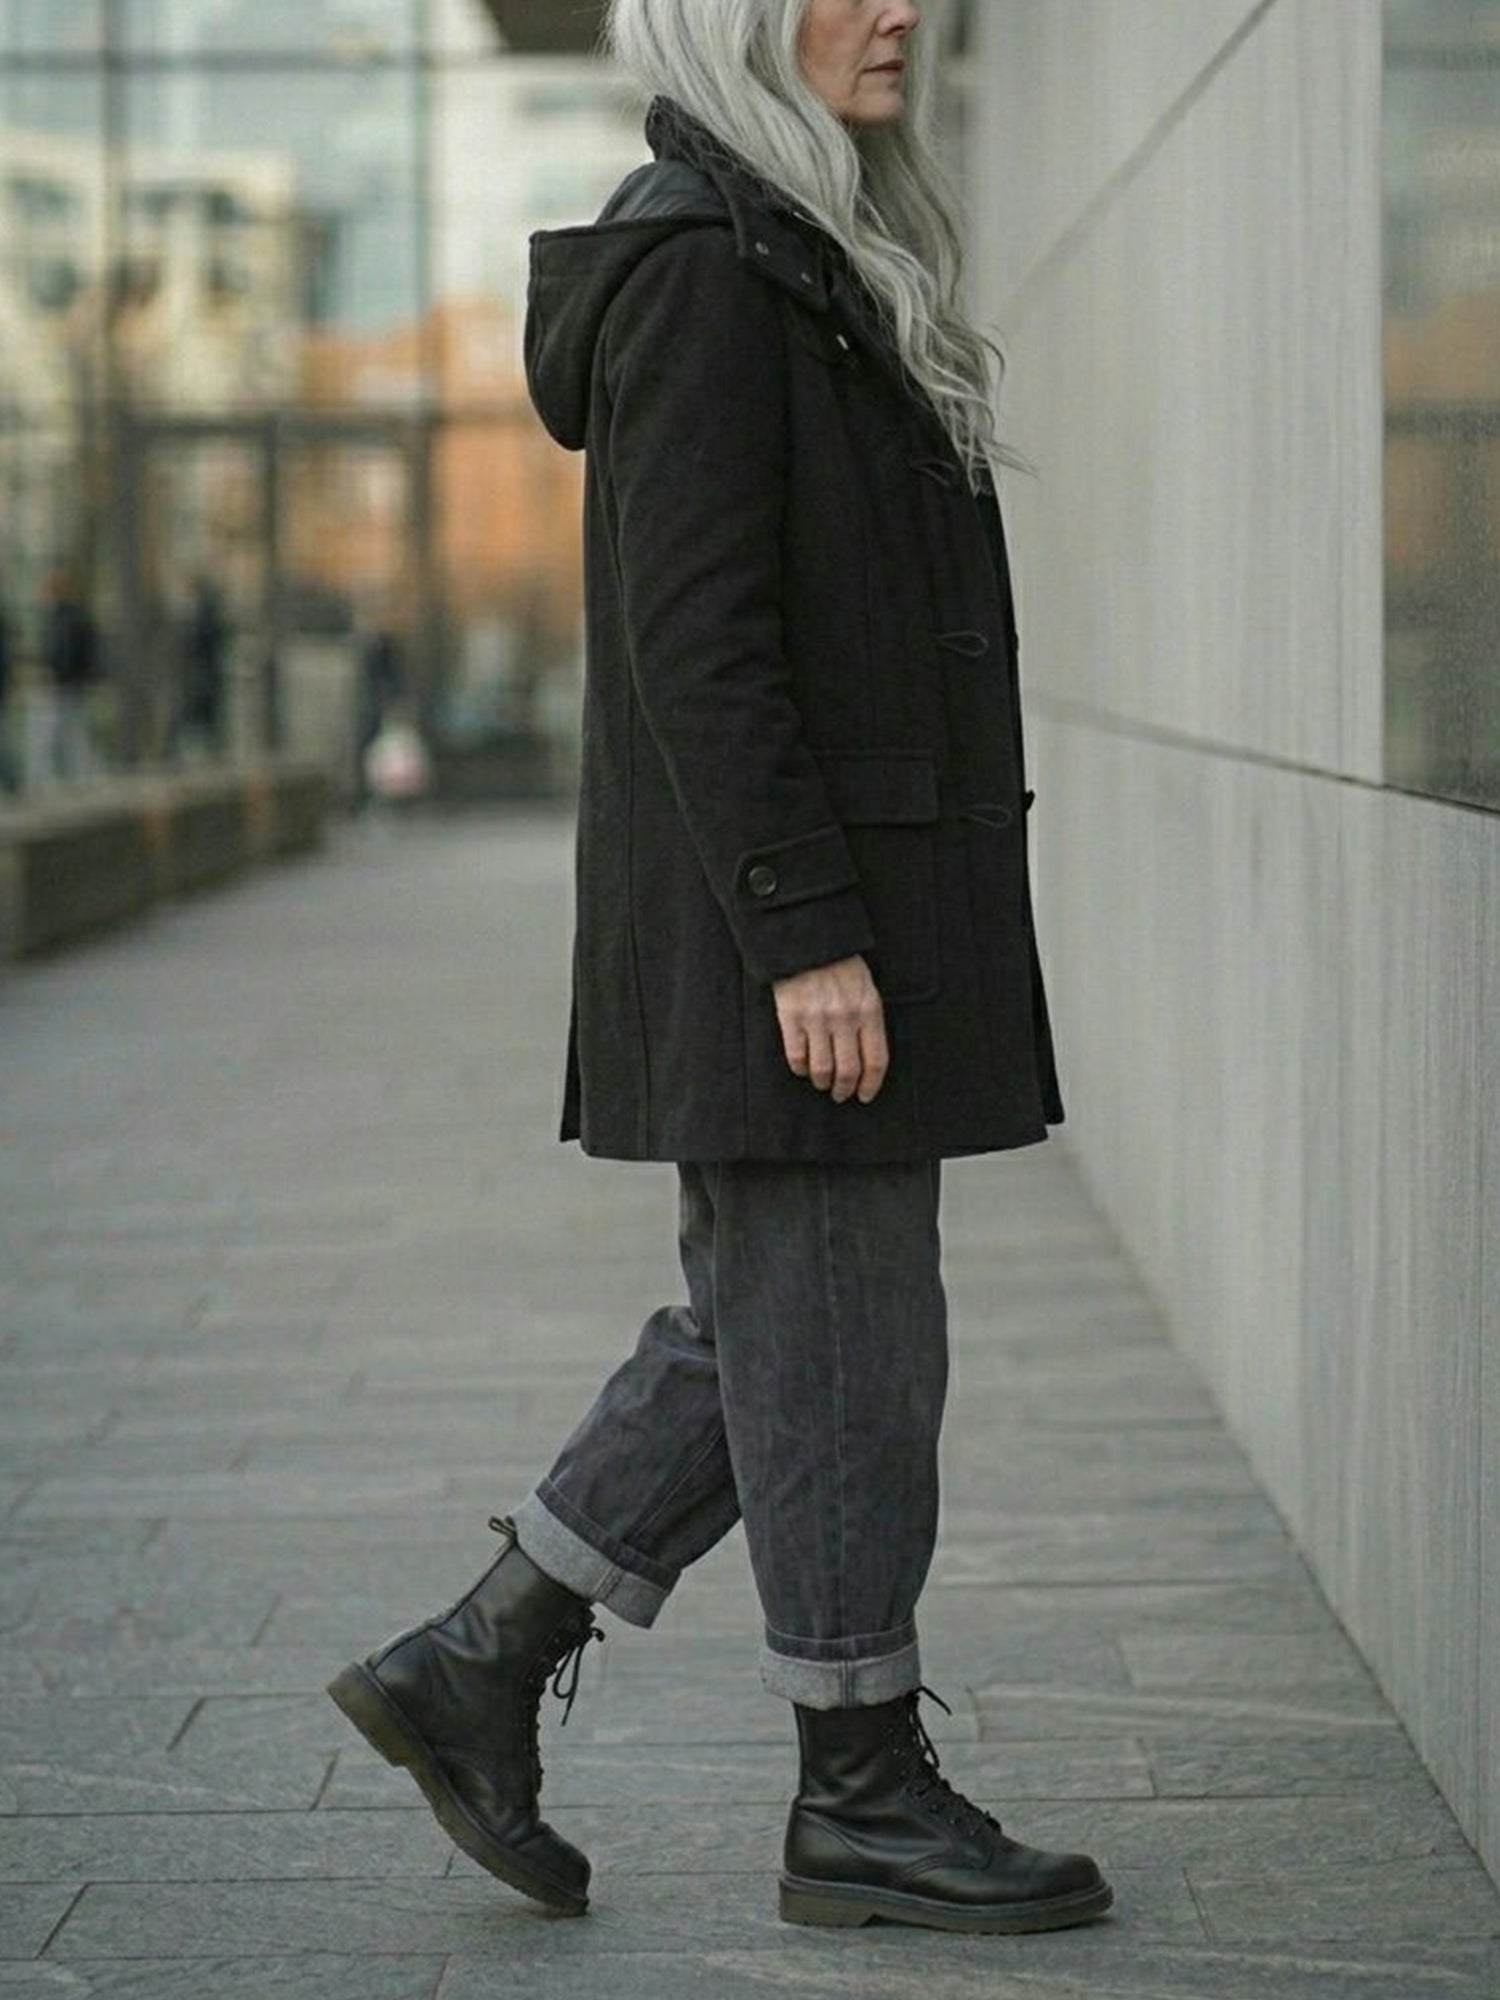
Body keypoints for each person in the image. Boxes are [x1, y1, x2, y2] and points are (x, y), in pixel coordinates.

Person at [328, 0, 1110, 1938]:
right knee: (842, 1347)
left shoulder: (800, 251)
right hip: (794, 926)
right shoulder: (703, 273)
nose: (896, 8)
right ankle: (858, 1789)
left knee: (780, 1324)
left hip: (834, 908)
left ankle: (479, 1662)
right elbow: (700, 639)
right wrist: (805, 930)